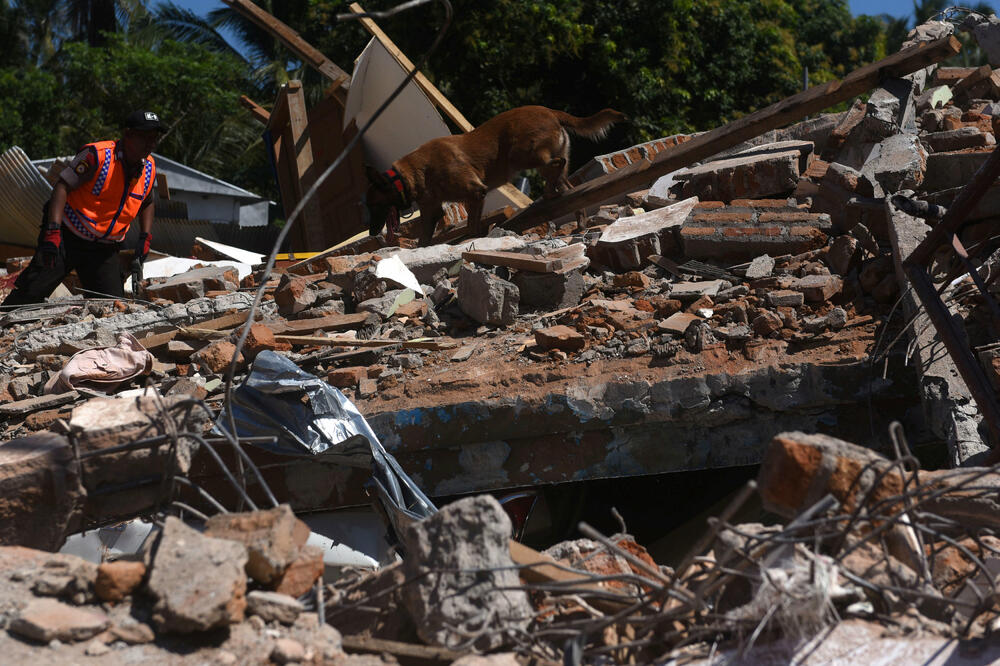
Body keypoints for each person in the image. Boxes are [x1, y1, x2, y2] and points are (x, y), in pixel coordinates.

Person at [2, 110, 165, 307]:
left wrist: (145, 237)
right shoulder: (98, 156)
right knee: (32, 289)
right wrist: (52, 231)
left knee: (112, 305)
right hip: (67, 234)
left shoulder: (149, 168)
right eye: (144, 137)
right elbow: (62, 187)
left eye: (154, 138)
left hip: (103, 247)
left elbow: (147, 201)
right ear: (128, 134)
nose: (150, 143)